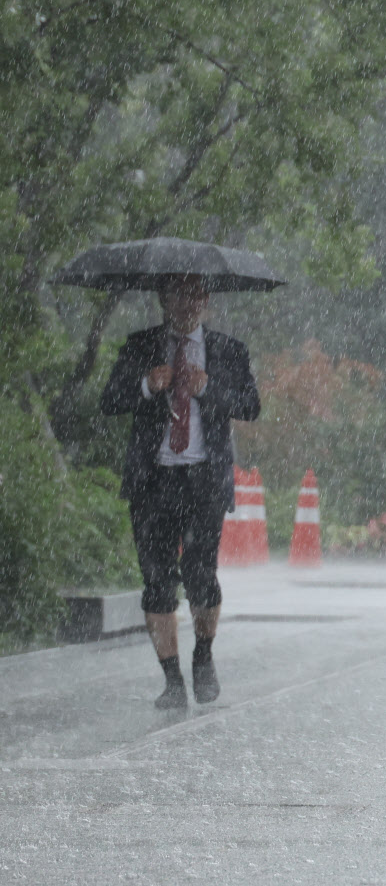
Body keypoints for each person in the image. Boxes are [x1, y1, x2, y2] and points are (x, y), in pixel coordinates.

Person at [101, 274, 260, 708]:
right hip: (153, 480)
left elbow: (250, 406)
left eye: (195, 294)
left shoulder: (228, 350)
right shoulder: (141, 346)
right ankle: (172, 682)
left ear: (206, 299)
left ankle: (203, 657)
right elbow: (109, 399)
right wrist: (146, 385)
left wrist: (208, 387)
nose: (187, 302)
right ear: (162, 299)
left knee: (201, 576)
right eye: (177, 294)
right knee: (156, 582)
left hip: (203, 480)